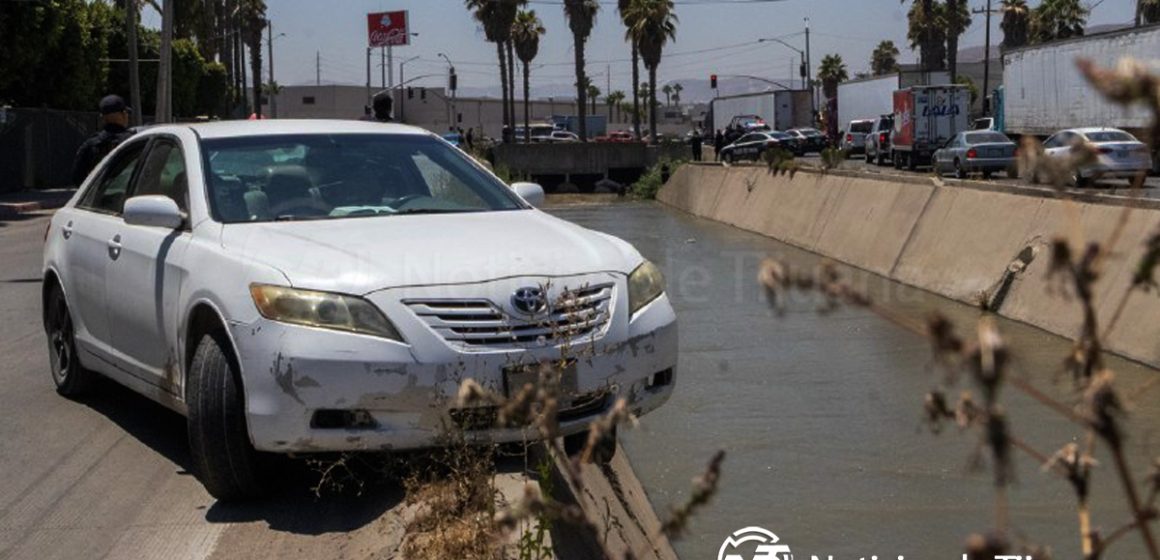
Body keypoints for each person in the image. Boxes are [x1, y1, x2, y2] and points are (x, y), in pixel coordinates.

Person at [71, 95, 134, 186]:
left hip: (99, 198)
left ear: (102, 118)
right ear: (124, 114)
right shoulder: (133, 141)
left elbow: (77, 178)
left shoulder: (90, 145)